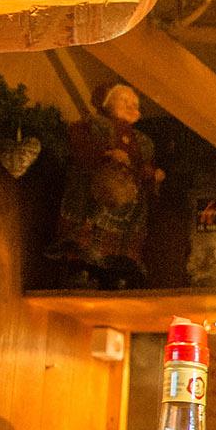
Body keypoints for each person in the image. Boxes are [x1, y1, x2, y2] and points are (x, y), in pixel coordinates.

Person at [49, 82, 163, 289]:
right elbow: (80, 148)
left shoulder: (144, 142)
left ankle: (116, 273)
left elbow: (143, 166)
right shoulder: (92, 126)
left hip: (129, 199)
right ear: (106, 102)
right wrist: (105, 154)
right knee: (88, 231)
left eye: (134, 103)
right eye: (124, 101)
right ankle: (80, 269)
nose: (131, 106)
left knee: (123, 241)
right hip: (95, 191)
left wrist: (152, 174)